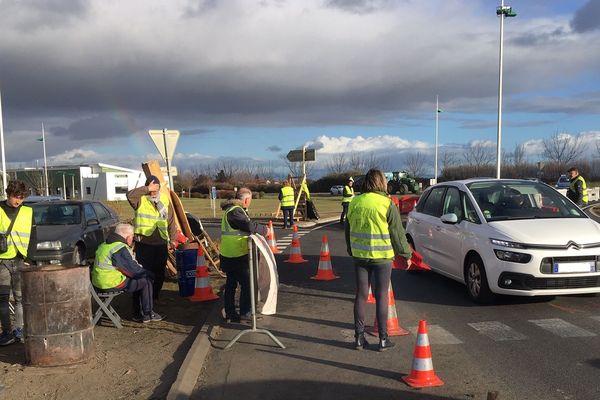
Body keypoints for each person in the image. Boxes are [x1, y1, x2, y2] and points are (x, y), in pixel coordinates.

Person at [345, 169, 412, 351]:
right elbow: (397, 234)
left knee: (360, 296)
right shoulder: (386, 204)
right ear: (381, 182)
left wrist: (352, 250)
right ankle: (383, 339)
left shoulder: (354, 203)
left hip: (360, 257)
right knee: (381, 296)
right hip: (382, 258)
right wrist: (406, 255)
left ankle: (359, 338)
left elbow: (348, 231)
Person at [92, 223, 162, 323]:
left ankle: (138, 314)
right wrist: (149, 274)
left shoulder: (104, 245)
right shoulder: (119, 248)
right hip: (110, 284)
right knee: (146, 281)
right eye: (132, 237)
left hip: (98, 283)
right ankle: (148, 314)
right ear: (128, 236)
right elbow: (132, 270)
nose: (132, 240)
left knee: (139, 279)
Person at [127, 175, 178, 302]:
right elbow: (129, 195)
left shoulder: (165, 200)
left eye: (156, 189)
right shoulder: (140, 199)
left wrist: (173, 238)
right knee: (144, 272)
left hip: (161, 242)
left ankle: (154, 296)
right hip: (144, 243)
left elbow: (171, 221)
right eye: (151, 189)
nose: (153, 192)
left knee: (159, 272)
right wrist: (146, 189)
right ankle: (144, 298)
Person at [220, 188, 268, 322]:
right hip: (237, 255)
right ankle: (245, 312)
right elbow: (249, 226)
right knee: (246, 284)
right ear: (246, 200)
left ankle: (230, 313)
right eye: (250, 200)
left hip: (229, 254)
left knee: (231, 284)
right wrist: (265, 230)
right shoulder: (236, 211)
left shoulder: (232, 210)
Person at [0, 180, 35, 346]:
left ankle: (19, 329)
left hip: (21, 260)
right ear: (9, 194)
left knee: (21, 298)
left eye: (21, 198)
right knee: (3, 298)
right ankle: (7, 332)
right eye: (16, 197)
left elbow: (34, 236)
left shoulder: (28, 212)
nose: (19, 201)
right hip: (2, 261)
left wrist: (29, 259)